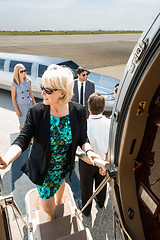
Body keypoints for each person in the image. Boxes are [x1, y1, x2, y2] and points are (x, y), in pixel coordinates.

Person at [0, 64, 100, 221]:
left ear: (62, 92)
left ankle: (60, 202)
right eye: (42, 87)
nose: (42, 93)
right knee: (47, 206)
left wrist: (90, 151)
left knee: (61, 187)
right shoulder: (37, 112)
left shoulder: (78, 111)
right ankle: (52, 217)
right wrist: (6, 158)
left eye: (48, 90)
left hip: (64, 166)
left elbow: (82, 139)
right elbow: (23, 139)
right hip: (44, 170)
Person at [78, 93, 110, 216]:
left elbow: (81, 152)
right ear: (103, 108)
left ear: (89, 107)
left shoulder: (84, 126)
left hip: (87, 163)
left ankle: (86, 210)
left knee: (86, 188)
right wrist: (103, 163)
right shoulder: (109, 123)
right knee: (101, 185)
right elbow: (111, 147)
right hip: (103, 161)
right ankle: (101, 202)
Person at [11, 63, 36, 131]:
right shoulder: (14, 84)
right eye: (21, 71)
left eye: (24, 70)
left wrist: (34, 104)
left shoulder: (28, 81)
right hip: (21, 106)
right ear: (17, 72)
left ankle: (31, 138)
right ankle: (22, 139)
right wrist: (17, 110)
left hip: (29, 104)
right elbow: (13, 98)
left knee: (31, 122)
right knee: (23, 124)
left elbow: (30, 93)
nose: (23, 73)